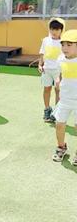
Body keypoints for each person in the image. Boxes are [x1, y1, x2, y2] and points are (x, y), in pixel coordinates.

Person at [52, 30, 77, 163]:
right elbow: (60, 73)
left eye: (69, 45)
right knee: (59, 124)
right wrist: (57, 80)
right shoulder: (60, 58)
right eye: (63, 45)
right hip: (65, 99)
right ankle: (61, 147)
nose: (65, 48)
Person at [39, 17, 65, 123]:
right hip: (47, 70)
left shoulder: (63, 42)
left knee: (58, 90)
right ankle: (47, 109)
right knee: (47, 89)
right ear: (49, 29)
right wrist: (40, 65)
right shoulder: (46, 40)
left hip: (59, 71)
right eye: (52, 29)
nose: (54, 32)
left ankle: (56, 112)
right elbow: (42, 53)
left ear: (61, 30)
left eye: (57, 29)